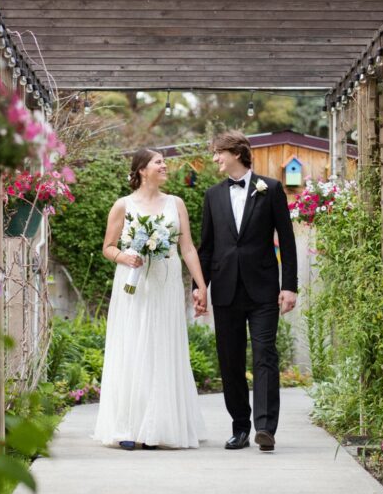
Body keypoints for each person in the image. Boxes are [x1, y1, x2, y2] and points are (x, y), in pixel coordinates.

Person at [93, 149, 210, 450]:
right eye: (159, 162)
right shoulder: (123, 205)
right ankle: (128, 426)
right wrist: (125, 256)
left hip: (166, 283)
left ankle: (157, 426)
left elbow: (187, 248)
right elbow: (108, 246)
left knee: (162, 348)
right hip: (134, 285)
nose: (164, 165)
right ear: (142, 170)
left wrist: (201, 285)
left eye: (163, 161)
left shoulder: (176, 203)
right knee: (132, 346)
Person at [194, 130, 298, 452]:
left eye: (218, 153)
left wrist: (289, 287)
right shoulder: (212, 196)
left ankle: (265, 428)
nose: (215, 159)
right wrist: (200, 288)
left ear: (236, 153)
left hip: (264, 288)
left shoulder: (272, 188)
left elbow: (288, 241)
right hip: (225, 290)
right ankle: (240, 426)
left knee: (266, 354)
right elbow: (207, 247)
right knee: (230, 359)